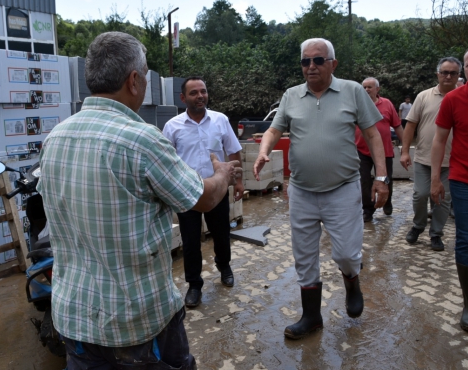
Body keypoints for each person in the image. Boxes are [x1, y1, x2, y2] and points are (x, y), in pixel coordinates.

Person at [36, 32, 242, 370]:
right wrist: (222, 174)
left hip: (74, 319)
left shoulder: (56, 136)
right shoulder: (141, 138)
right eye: (145, 76)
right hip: (136, 324)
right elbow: (203, 198)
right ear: (134, 80)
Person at [253, 38, 388, 340]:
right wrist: (264, 151)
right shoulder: (291, 95)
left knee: (346, 254)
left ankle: (352, 282)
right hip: (302, 190)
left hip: (342, 189)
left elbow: (373, 135)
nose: (310, 66)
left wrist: (381, 177)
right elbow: (274, 129)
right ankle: (312, 317)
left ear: (333, 64)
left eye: (318, 60)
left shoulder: (352, 91)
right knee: (304, 256)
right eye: (305, 61)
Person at [162, 77, 244, 308]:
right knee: (190, 241)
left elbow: (234, 152)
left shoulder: (220, 120)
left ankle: (224, 266)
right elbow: (166, 162)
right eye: (194, 93)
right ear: (183, 98)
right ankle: (194, 285)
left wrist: (238, 182)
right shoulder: (172, 126)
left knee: (221, 233)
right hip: (186, 193)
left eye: (203, 92)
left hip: (217, 190)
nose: (200, 96)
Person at [400, 57, 460, 251]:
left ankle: (436, 234)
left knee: (443, 200)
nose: (448, 76)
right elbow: (411, 125)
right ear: (437, 74)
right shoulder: (424, 96)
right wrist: (405, 151)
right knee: (420, 194)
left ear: (459, 75)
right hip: (424, 158)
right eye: (444, 72)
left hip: (452, 161)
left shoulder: (462, 97)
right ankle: (418, 225)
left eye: (453, 73)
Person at [431, 49, 468, 333]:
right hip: (462, 179)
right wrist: (435, 179)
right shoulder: (454, 99)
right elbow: (439, 140)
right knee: (466, 239)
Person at [356, 77, 404, 222]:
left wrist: (405, 147)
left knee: (386, 179)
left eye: (370, 87)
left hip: (384, 150)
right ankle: (368, 209)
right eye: (364, 87)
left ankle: (387, 201)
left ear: (378, 89)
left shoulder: (387, 104)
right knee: (364, 181)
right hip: (361, 150)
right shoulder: (357, 104)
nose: (366, 90)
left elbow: (397, 126)